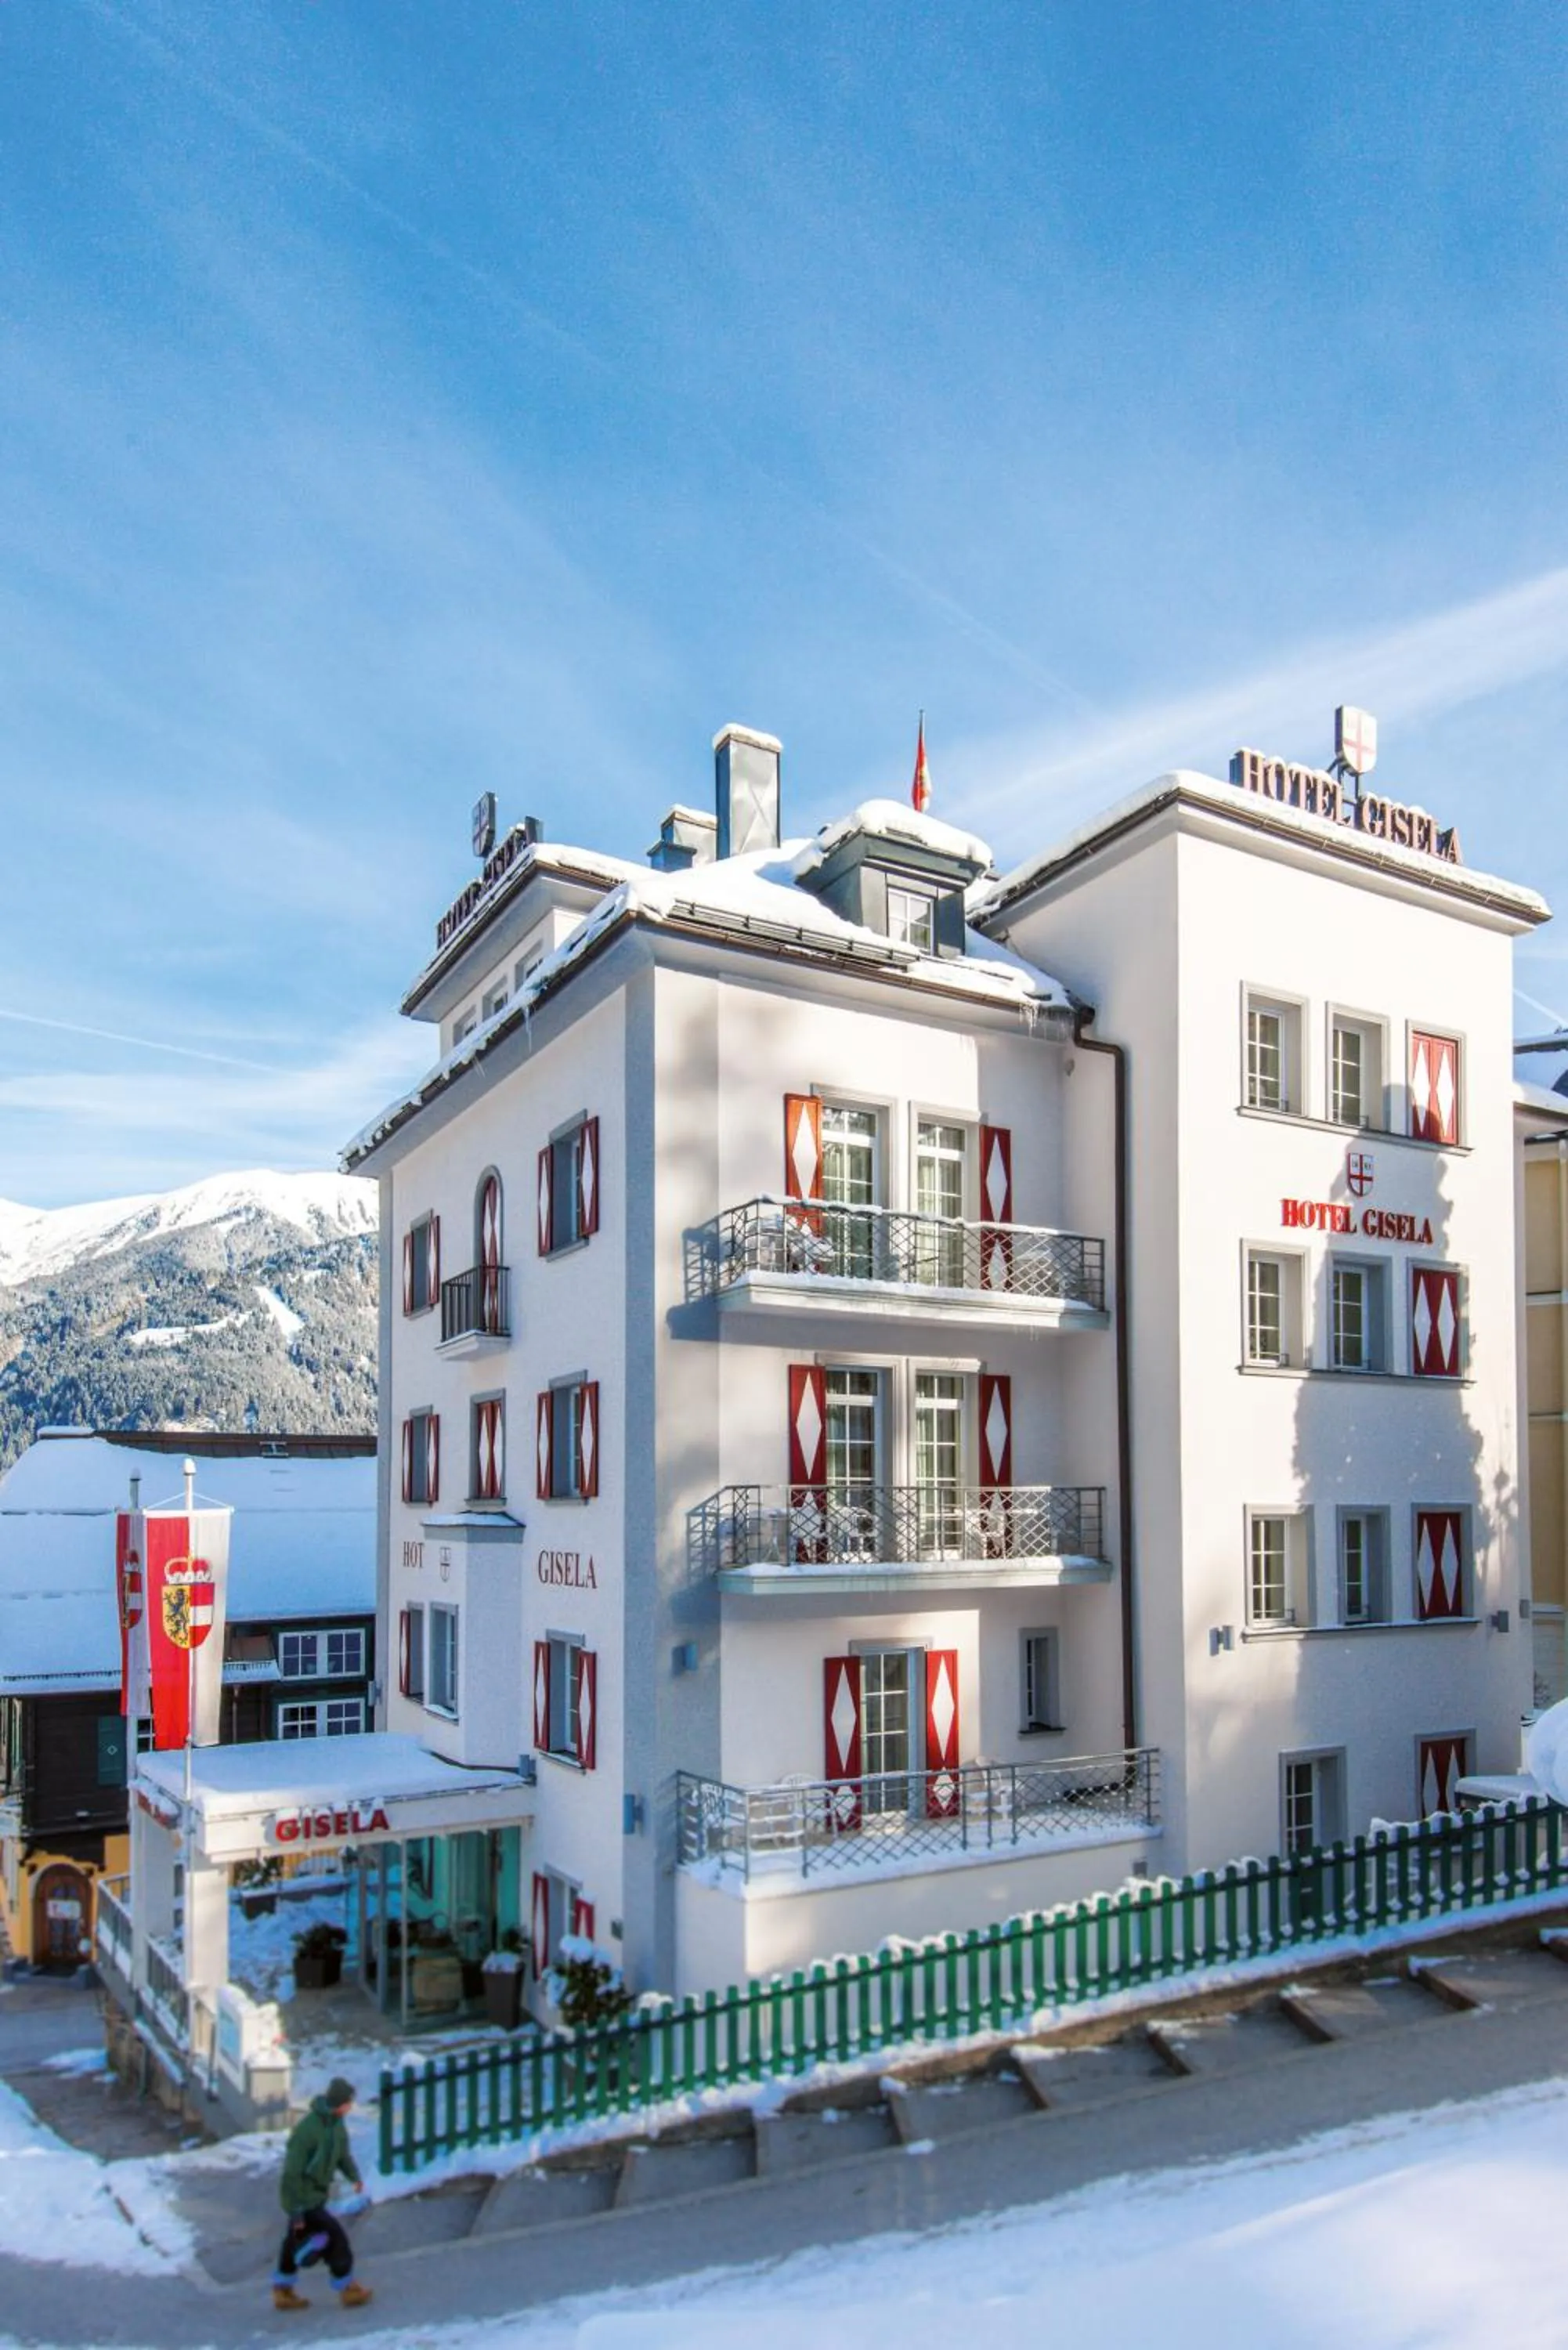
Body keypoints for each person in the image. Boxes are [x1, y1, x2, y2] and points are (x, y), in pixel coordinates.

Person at [272, 2077, 373, 2312]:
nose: (351, 2107)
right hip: (302, 2197)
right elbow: (292, 2172)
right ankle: (348, 2289)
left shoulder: (336, 2124)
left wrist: (355, 2178)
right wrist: (297, 2211)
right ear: (340, 2103)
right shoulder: (308, 2130)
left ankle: (283, 2290)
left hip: (315, 2195)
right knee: (335, 2238)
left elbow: (342, 2155)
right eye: (349, 2102)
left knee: (294, 2241)